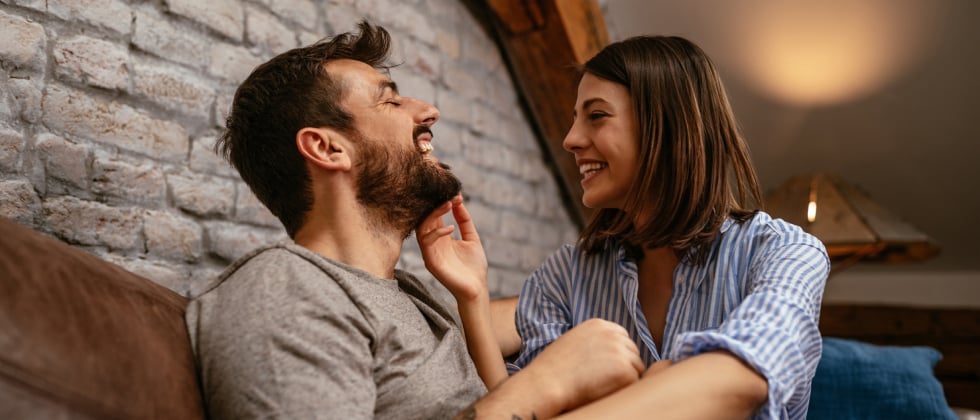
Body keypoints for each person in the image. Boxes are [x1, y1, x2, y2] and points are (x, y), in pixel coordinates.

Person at [185, 21, 644, 420]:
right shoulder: (284, 292)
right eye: (390, 102)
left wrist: (474, 293)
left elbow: (528, 336)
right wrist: (543, 385)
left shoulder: (410, 294)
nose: (429, 112)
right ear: (328, 149)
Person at [437, 36, 831, 419]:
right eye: (576, 120)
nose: (571, 139)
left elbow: (739, 382)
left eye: (597, 116)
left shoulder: (787, 254)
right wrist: (474, 295)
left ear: (668, 125)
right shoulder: (564, 275)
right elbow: (521, 401)